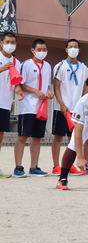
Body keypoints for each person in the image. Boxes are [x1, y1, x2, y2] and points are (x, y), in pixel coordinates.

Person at [14, 39, 53, 177]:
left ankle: (34, 167)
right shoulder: (26, 65)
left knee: (37, 137)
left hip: (41, 107)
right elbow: (21, 84)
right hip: (27, 106)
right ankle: (18, 167)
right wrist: (36, 91)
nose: (42, 52)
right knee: (23, 137)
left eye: (44, 49)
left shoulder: (48, 66)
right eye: (40, 49)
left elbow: (47, 84)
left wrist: (48, 91)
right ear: (33, 50)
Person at [51, 39, 88, 175]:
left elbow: (85, 87)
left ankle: (69, 165)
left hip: (77, 109)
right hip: (62, 108)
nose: (73, 49)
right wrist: (61, 104)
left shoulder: (83, 67)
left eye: (76, 47)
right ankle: (56, 165)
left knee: (73, 138)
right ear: (66, 49)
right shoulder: (60, 66)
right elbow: (56, 87)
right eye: (71, 47)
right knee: (58, 137)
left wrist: (83, 105)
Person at [0, 32, 23, 177]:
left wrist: (19, 92)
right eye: (7, 41)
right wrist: (2, 68)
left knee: (0, 137)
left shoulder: (17, 62)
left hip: (5, 104)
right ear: (1, 43)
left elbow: (17, 83)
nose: (10, 44)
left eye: (13, 42)